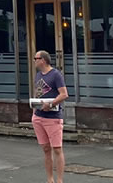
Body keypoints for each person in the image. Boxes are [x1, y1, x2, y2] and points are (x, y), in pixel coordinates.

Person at [32, 50, 69, 183]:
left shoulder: (55, 75)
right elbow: (38, 93)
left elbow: (64, 94)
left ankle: (59, 180)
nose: (34, 61)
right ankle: (49, 179)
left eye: (35, 58)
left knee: (57, 149)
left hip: (52, 117)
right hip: (38, 116)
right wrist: (34, 112)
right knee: (46, 149)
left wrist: (51, 103)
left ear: (43, 60)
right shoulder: (37, 75)